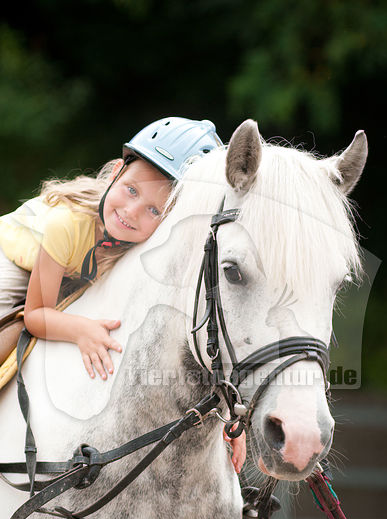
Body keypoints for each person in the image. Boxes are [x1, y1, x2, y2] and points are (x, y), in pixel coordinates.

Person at [0, 116, 246, 472]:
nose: (131, 213)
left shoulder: (143, 248)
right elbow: (37, 315)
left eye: (153, 210)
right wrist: (80, 330)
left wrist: (225, 417)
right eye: (131, 190)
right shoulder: (66, 225)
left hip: (66, 277)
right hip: (14, 263)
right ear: (116, 171)